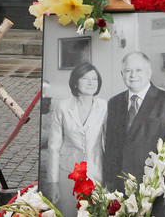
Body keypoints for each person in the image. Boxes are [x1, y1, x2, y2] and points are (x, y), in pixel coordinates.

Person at [103, 51, 165, 217]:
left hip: (156, 189)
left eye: (138, 70)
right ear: (122, 74)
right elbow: (111, 145)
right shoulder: (114, 103)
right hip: (119, 188)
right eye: (128, 71)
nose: (133, 75)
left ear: (149, 72)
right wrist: (108, 182)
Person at [47, 62, 107, 217]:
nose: (90, 82)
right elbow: (53, 146)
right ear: (75, 81)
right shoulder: (63, 106)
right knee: (69, 213)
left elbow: (109, 142)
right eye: (85, 78)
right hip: (68, 173)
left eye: (94, 79)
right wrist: (53, 182)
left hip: (97, 173)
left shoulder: (105, 106)